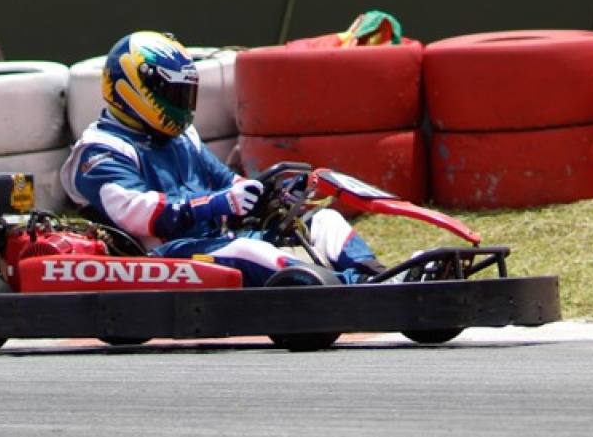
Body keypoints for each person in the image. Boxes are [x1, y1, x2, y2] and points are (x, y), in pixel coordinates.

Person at [61, 31, 386, 287]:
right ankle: (345, 288)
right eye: (174, 93)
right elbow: (139, 213)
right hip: (161, 261)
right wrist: (218, 204)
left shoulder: (180, 137)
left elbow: (225, 181)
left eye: (185, 93)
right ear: (131, 89)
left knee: (323, 223)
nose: (182, 104)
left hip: (212, 242)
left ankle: (376, 278)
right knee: (248, 252)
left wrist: (269, 193)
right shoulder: (100, 150)